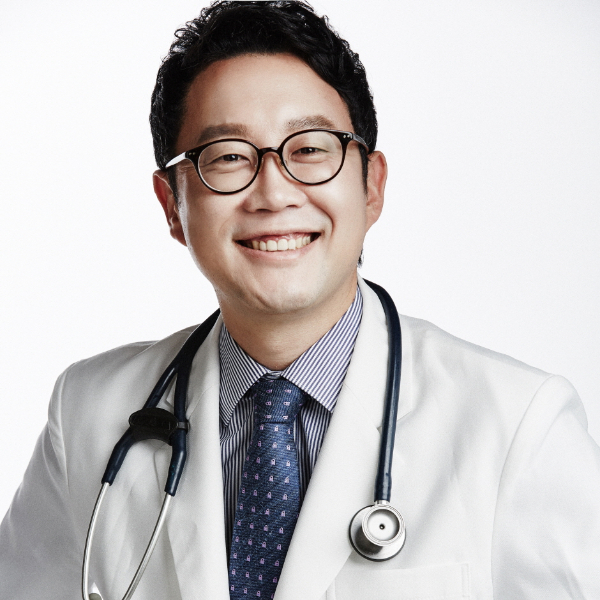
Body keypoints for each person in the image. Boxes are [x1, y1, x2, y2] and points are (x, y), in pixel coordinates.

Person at [1, 1, 599, 599]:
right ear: (171, 206)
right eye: (229, 157)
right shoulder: (88, 414)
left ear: (372, 186)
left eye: (310, 149)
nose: (274, 193)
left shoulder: (519, 426)